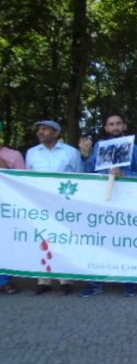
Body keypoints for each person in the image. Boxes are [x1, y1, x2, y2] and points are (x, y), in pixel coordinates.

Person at [78, 112, 137, 297]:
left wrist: (124, 175)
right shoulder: (100, 147)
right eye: (111, 124)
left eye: (118, 123)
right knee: (98, 241)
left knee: (127, 242)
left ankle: (129, 282)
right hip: (101, 202)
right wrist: (85, 155)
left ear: (124, 126)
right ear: (106, 128)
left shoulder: (136, 149)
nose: (115, 127)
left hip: (127, 204)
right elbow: (87, 171)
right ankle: (95, 282)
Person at [26, 120, 83, 295]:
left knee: (63, 239)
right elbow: (26, 178)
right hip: (39, 204)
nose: (40, 132)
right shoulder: (31, 153)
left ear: (56, 133)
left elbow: (80, 177)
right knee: (42, 240)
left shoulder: (71, 152)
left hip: (63, 205)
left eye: (44, 129)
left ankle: (65, 279)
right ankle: (43, 280)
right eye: (39, 130)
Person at [0, 119, 25, 294]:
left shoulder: (13, 155)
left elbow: (23, 181)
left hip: (6, 206)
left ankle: (4, 281)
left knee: (5, 242)